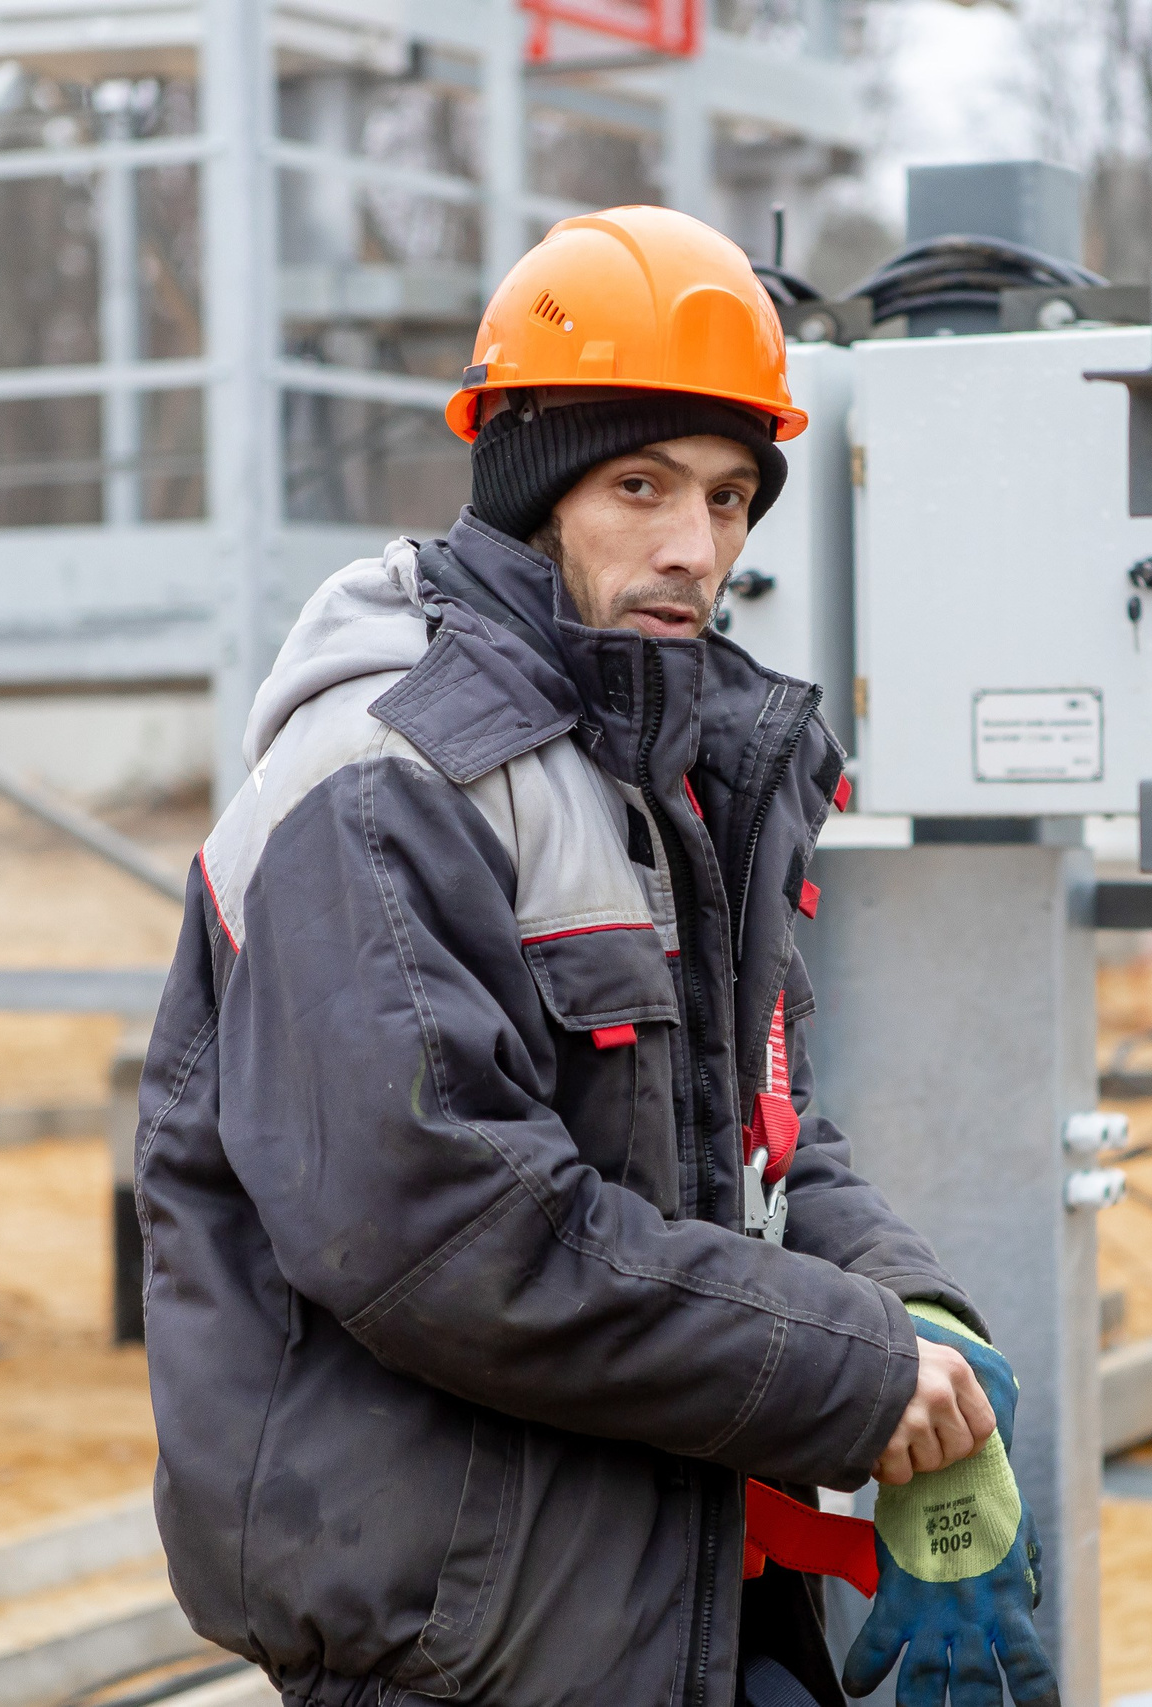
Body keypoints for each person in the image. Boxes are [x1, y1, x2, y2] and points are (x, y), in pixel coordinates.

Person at [134, 204, 1056, 1707]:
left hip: (682, 1590)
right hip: (472, 1645)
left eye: (730, 496)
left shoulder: (674, 773)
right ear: (532, 488)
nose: (695, 548)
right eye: (640, 485)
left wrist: (915, 1308)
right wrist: (853, 1371)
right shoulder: (381, 785)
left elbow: (752, 1130)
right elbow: (454, 1238)